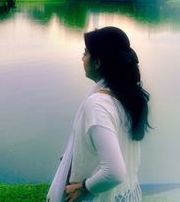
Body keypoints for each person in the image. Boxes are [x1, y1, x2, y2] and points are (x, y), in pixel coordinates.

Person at [47, 26, 151, 202]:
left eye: (86, 53)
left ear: (97, 62)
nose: (82, 58)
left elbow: (114, 172)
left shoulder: (98, 104)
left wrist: (85, 187)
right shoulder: (125, 95)